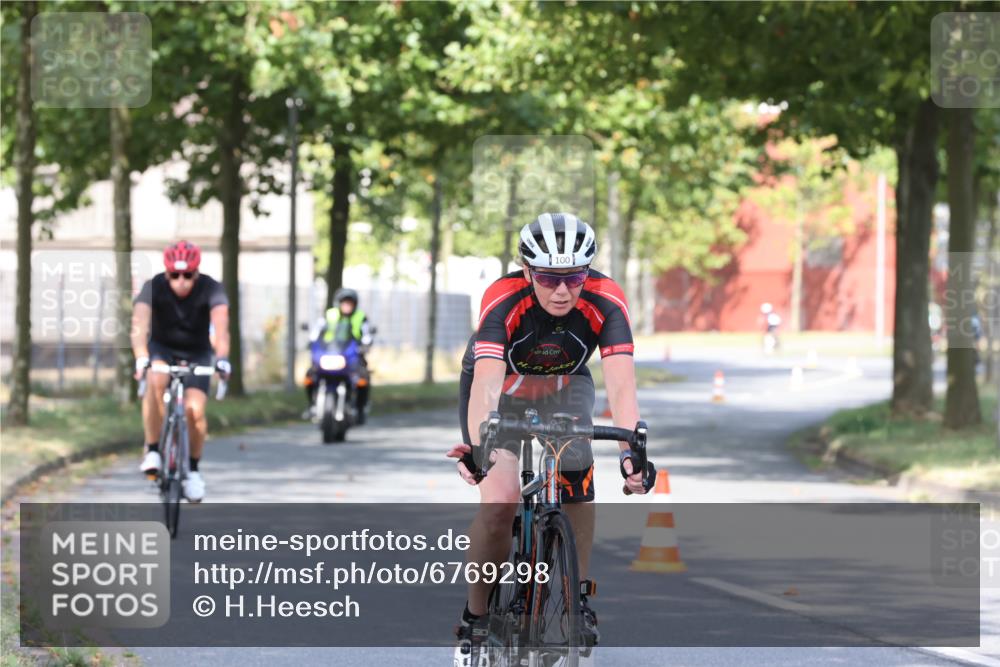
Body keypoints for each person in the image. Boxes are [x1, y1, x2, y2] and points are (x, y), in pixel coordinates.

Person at [446, 212, 655, 666]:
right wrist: (482, 446)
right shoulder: (503, 298)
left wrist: (630, 453)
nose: (562, 290)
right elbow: (485, 381)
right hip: (500, 391)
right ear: (527, 272)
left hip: (564, 386)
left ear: (588, 272)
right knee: (499, 503)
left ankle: (576, 602)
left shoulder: (606, 299)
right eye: (548, 277)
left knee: (577, 469)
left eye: (574, 277)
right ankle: (476, 621)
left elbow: (621, 386)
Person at [131, 241, 230, 503]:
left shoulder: (211, 288)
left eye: (188, 275)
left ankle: (194, 471)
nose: (181, 281)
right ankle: (153, 449)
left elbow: (221, 328)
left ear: (197, 273)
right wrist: (141, 357)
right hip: (162, 348)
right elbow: (139, 324)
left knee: (194, 410)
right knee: (157, 378)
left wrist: (222, 359)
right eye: (175, 275)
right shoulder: (154, 287)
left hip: (197, 352)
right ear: (167, 273)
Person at [305, 287, 374, 422]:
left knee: (363, 378)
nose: (347, 306)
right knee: (310, 375)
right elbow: (317, 331)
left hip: (352, 355)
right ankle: (312, 405)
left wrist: (366, 344)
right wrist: (311, 342)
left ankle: (359, 408)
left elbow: (366, 334)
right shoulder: (329, 315)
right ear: (339, 303)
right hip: (331, 352)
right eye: (345, 302)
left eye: (350, 303)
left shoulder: (360, 317)